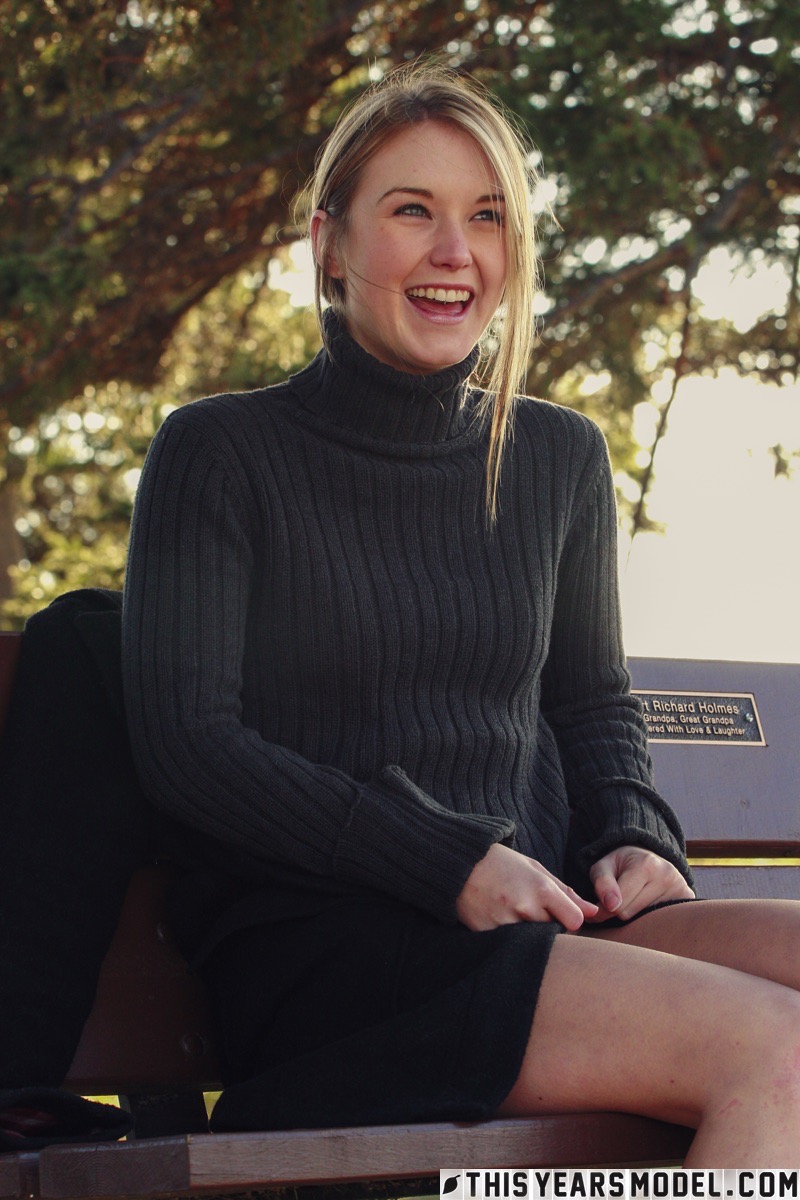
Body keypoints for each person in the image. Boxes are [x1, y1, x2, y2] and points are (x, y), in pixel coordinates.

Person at [121, 63, 800, 1165]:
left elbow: (590, 702)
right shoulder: (221, 452)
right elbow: (191, 748)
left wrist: (634, 831)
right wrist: (445, 861)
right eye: (412, 211)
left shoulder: (556, 457)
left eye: (486, 217)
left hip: (539, 922)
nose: (455, 252)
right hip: (334, 957)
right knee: (778, 1052)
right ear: (328, 245)